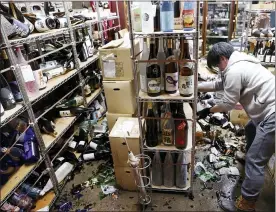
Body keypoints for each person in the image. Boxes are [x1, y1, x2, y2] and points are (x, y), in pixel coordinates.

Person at [197, 42, 275, 212]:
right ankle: (249, 159)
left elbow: (227, 104)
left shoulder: (234, 70)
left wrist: (207, 110)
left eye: (217, 65)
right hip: (264, 112)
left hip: (272, 116)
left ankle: (247, 203)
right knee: (250, 129)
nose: (218, 69)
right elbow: (219, 84)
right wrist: (195, 87)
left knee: (256, 159)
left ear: (223, 58)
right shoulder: (240, 62)